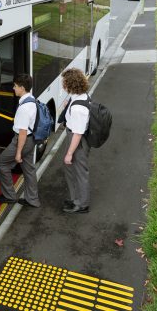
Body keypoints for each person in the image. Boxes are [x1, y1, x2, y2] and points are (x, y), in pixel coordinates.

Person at [0, 74, 40, 208]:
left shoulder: (24, 109)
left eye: (15, 86)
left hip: (22, 141)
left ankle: (9, 196)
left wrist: (18, 152)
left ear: (22, 88)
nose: (13, 88)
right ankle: (32, 200)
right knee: (29, 169)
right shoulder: (31, 99)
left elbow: (22, 133)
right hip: (32, 140)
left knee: (1, 163)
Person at [60, 68, 91, 214]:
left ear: (70, 84)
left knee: (79, 172)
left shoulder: (79, 108)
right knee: (72, 170)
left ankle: (82, 205)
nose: (62, 85)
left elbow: (78, 133)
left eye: (64, 82)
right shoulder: (80, 96)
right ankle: (75, 198)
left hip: (76, 140)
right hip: (74, 136)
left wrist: (69, 154)